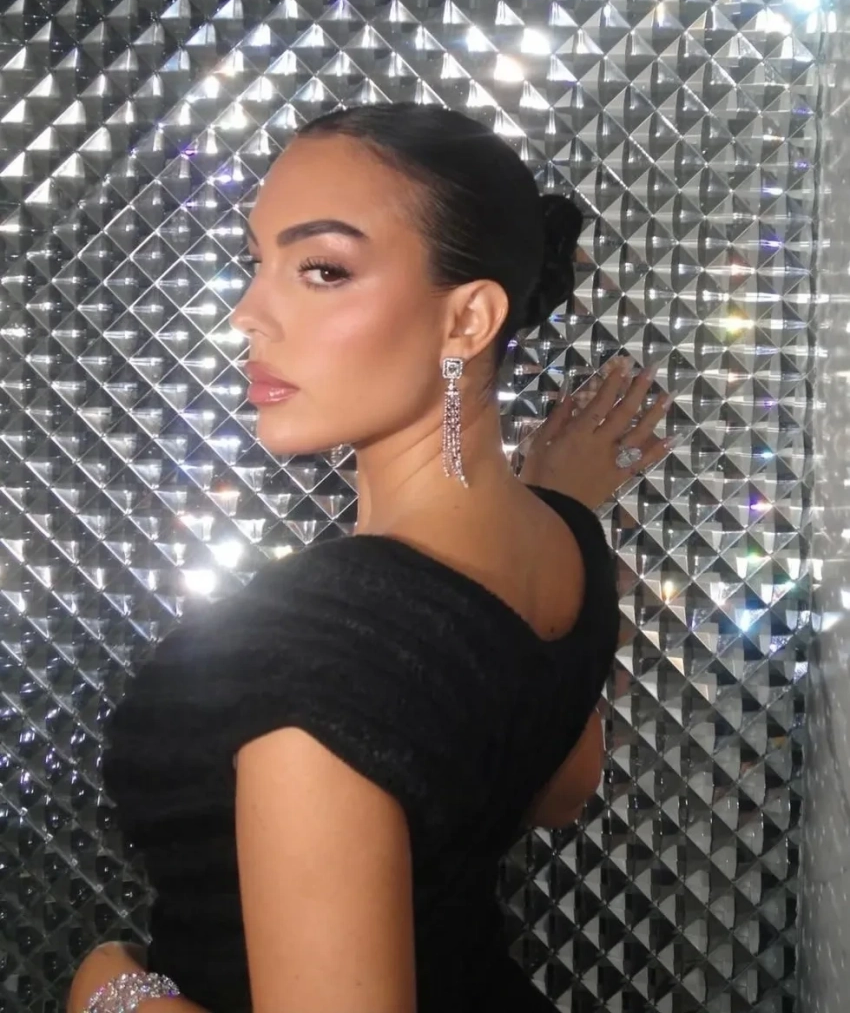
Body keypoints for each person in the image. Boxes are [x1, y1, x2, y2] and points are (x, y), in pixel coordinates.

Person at [68, 103, 671, 1013]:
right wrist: (552, 499)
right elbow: (558, 790)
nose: (247, 315)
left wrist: (112, 991)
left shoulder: (316, 643)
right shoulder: (565, 542)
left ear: (468, 319)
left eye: (322, 269)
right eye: (255, 262)